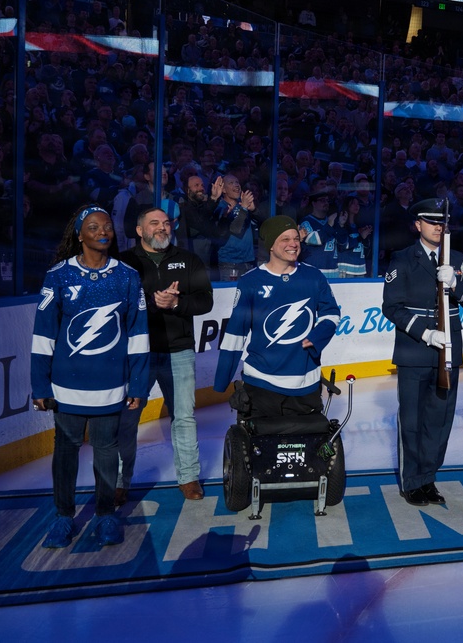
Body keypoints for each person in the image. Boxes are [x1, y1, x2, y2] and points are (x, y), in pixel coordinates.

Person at [30, 205, 149, 548]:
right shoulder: (58, 275)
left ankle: (105, 514)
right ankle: (63, 517)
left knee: (106, 451)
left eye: (107, 226)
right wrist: (40, 384)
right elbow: (43, 335)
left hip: (110, 387)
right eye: (94, 227)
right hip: (67, 387)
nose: (103, 231)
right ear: (79, 235)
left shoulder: (127, 276)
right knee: (65, 452)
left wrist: (138, 383)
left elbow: (138, 335)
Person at [382, 198, 463, 506]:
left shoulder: (459, 259)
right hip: (414, 351)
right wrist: (424, 332)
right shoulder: (402, 258)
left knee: (440, 419)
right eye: (431, 221)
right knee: (411, 419)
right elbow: (391, 307)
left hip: (448, 352)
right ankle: (412, 481)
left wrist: (456, 284)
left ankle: (428, 478)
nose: (438, 227)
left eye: (442, 222)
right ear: (418, 225)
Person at [117, 207, 214, 503]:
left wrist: (176, 303)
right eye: (154, 223)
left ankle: (188, 477)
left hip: (179, 351)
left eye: (166, 223)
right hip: (137, 354)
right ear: (139, 230)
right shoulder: (124, 263)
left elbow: (205, 301)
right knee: (127, 419)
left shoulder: (188, 260)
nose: (162, 228)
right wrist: (152, 301)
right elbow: (116, 307)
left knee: (183, 417)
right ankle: (120, 481)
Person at [214, 216, 340, 417]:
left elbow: (331, 314)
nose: (293, 244)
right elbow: (236, 333)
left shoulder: (314, 276)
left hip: (306, 382)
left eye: (296, 239)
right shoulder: (251, 281)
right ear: (271, 245)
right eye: (285, 239)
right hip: (262, 383)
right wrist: (222, 380)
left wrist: (317, 337)